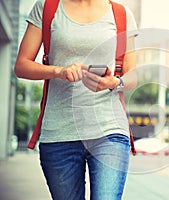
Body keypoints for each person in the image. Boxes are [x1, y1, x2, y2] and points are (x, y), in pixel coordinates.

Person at [14, 0, 138, 199]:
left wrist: (112, 82)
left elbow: (132, 76)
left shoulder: (121, 14)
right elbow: (21, 65)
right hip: (59, 133)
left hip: (109, 130)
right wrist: (59, 71)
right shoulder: (47, 8)